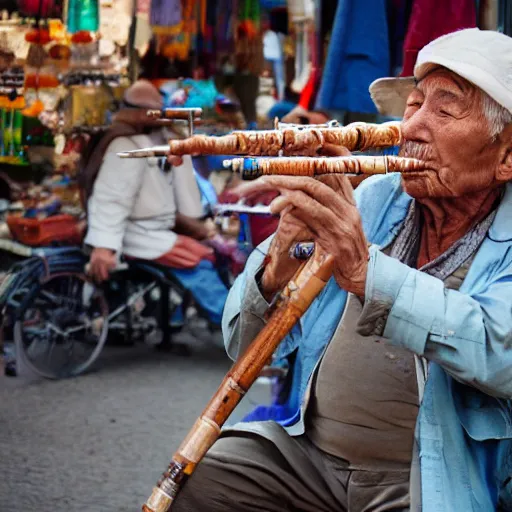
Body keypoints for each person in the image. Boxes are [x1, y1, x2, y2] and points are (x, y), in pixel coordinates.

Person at [171, 28, 512, 511]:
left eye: (445, 110)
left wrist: (364, 271)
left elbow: (501, 352)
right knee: (203, 480)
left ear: (507, 156)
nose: (411, 127)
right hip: (312, 460)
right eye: (413, 106)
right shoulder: (372, 197)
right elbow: (241, 344)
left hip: (423, 480)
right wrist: (282, 257)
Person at [84, 79, 228, 325]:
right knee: (198, 266)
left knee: (213, 253)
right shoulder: (125, 144)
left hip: (152, 228)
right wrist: (104, 246)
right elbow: (112, 199)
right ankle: (245, 334)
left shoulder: (148, 138)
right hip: (135, 233)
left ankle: (179, 316)